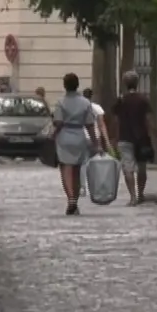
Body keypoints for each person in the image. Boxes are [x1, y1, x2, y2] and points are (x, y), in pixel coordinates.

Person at [51, 72, 100, 215]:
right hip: (79, 136)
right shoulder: (86, 103)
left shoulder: (61, 102)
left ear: (64, 86)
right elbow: (90, 124)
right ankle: (75, 201)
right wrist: (96, 143)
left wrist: (53, 135)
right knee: (77, 171)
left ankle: (71, 199)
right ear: (77, 85)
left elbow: (58, 122)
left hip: (65, 136)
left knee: (66, 169)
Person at [112, 70, 157, 205]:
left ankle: (132, 196)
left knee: (128, 168)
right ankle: (141, 193)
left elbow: (115, 120)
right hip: (142, 137)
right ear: (137, 83)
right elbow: (149, 119)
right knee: (142, 168)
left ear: (125, 84)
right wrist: (156, 135)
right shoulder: (143, 99)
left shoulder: (120, 100)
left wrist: (114, 137)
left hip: (124, 137)